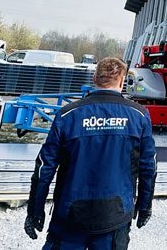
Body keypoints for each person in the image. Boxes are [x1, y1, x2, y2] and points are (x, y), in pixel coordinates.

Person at [25, 57, 156, 249]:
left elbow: (44, 167)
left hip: (70, 214)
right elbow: (148, 167)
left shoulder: (68, 114)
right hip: (115, 214)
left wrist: (35, 210)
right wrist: (145, 206)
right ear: (122, 82)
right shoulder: (139, 115)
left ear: (94, 78)